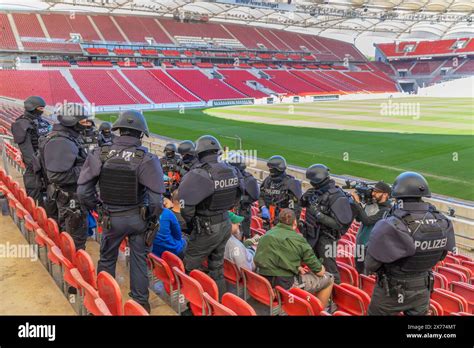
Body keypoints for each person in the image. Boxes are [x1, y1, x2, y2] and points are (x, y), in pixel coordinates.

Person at [77, 110, 165, 312]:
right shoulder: (147, 158)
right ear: (140, 134)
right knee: (138, 260)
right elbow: (156, 202)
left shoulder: (100, 153)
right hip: (137, 219)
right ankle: (140, 305)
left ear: (118, 130)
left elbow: (83, 192)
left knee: (107, 258)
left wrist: (98, 207)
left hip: (111, 218)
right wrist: (149, 218)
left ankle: (104, 302)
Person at [365, 172, 456, 316]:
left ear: (397, 196)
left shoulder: (388, 224)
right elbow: (441, 256)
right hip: (422, 290)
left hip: (390, 291)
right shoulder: (443, 222)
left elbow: (370, 265)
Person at [178, 135, 243, 297]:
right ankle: (219, 303)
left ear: (199, 153)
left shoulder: (198, 174)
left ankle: (192, 304)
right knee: (217, 267)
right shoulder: (232, 169)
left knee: (189, 266)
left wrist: (194, 223)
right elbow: (239, 195)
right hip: (225, 223)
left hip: (206, 226)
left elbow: (185, 206)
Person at [254, 208, 334, 308]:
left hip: (263, 281)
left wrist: (296, 267)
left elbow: (270, 258)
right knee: (329, 278)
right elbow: (320, 272)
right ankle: (317, 311)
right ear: (295, 223)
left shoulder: (267, 234)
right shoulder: (299, 240)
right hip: (285, 285)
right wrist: (322, 267)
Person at [38, 103, 89, 250]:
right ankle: (76, 270)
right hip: (70, 201)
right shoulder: (61, 141)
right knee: (75, 242)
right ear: (71, 121)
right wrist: (88, 169)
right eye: (82, 121)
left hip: (66, 199)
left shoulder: (64, 138)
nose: (86, 125)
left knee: (70, 237)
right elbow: (57, 176)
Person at [300, 164, 353, 284]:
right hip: (311, 235)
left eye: (312, 181)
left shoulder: (337, 196)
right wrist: (304, 198)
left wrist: (319, 215)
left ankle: (334, 297)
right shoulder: (315, 192)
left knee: (330, 270)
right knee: (315, 267)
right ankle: (320, 291)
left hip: (327, 238)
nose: (311, 183)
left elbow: (340, 224)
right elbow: (304, 204)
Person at [11, 96, 51, 204]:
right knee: (37, 200)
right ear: (32, 108)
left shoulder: (42, 122)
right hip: (35, 169)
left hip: (48, 165)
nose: (42, 111)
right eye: (40, 108)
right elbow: (28, 153)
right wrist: (39, 169)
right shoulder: (21, 124)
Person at [351, 181, 392, 274]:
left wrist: (357, 204)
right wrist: (356, 204)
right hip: (360, 245)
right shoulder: (372, 204)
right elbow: (359, 218)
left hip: (370, 249)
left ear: (385, 194)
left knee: (366, 275)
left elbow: (367, 221)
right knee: (359, 272)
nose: (373, 193)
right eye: (373, 191)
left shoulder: (386, 209)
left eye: (377, 192)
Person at [258, 155, 302, 226]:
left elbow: (296, 208)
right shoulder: (268, 181)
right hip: (268, 221)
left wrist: (289, 222)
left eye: (271, 168)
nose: (270, 169)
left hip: (283, 222)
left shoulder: (292, 183)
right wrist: (263, 207)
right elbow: (261, 196)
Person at [226, 151, 260, 238]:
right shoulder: (228, 177)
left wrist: (239, 198)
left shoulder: (249, 179)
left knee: (241, 236)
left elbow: (255, 196)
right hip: (229, 212)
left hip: (242, 212)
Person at [152, 193, 187, 259]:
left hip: (155, 252)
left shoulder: (143, 215)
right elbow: (178, 236)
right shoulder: (167, 213)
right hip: (173, 251)